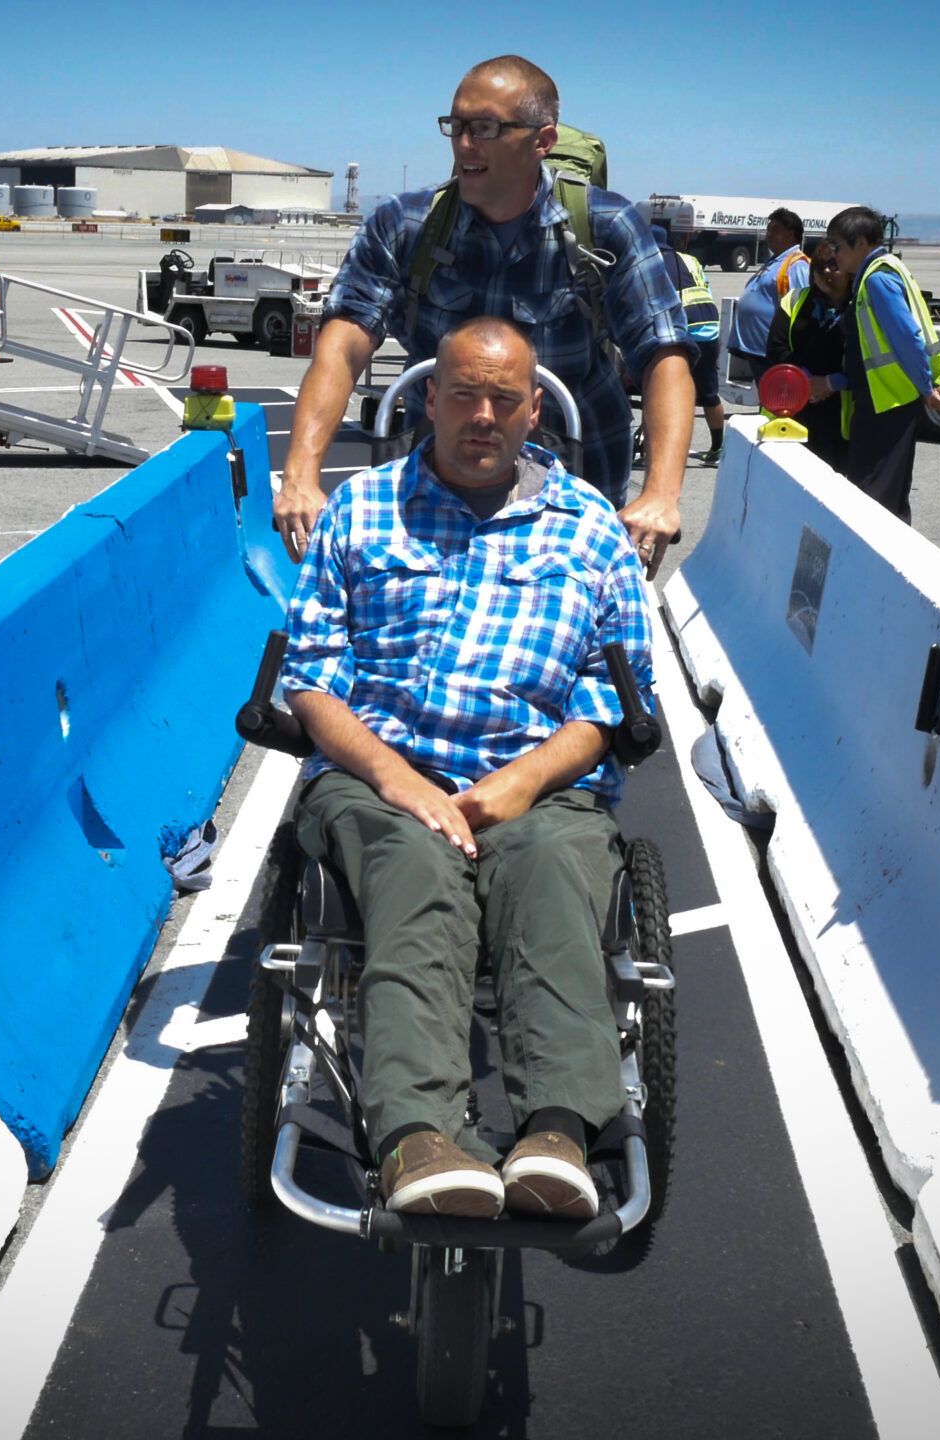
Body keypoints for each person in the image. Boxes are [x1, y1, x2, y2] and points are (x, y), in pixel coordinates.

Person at [281, 315, 653, 1221]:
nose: (481, 415)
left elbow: (614, 698)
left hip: (537, 780)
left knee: (551, 871)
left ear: (533, 412)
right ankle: (417, 1135)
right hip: (382, 774)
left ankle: (557, 1134)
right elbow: (312, 679)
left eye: (503, 399)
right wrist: (398, 780)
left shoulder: (589, 527)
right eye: (463, 395)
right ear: (428, 401)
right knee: (416, 870)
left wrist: (520, 785)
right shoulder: (363, 511)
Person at [275, 55, 694, 574]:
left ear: (543, 141)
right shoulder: (406, 225)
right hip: (443, 476)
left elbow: (663, 354)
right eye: (456, 126)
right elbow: (342, 345)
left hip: (578, 476)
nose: (464, 144)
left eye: (486, 128)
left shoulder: (606, 226)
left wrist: (660, 493)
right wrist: (299, 473)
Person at [821, 205, 940, 522]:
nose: (833, 255)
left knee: (873, 495)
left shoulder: (877, 280)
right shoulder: (876, 273)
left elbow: (907, 338)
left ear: (861, 243)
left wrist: (926, 388)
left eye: (837, 246)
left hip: (888, 404)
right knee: (888, 493)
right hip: (886, 400)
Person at [762, 241, 853, 473]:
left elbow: (866, 358)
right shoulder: (795, 300)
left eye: (833, 266)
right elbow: (775, 347)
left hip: (840, 410)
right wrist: (803, 379)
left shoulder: (859, 307)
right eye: (820, 266)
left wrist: (832, 382)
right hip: (795, 402)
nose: (825, 272)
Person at [650, 225, 728, 464]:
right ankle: (717, 449)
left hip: (681, 330)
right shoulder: (691, 260)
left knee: (659, 391)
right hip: (708, 326)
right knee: (709, 394)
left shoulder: (651, 261)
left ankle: (655, 452)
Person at [726, 208, 809, 369]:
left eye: (775, 230)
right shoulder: (774, 261)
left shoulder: (798, 265)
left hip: (774, 354)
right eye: (768, 230)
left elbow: (803, 310)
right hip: (758, 351)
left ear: (791, 234)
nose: (768, 235)